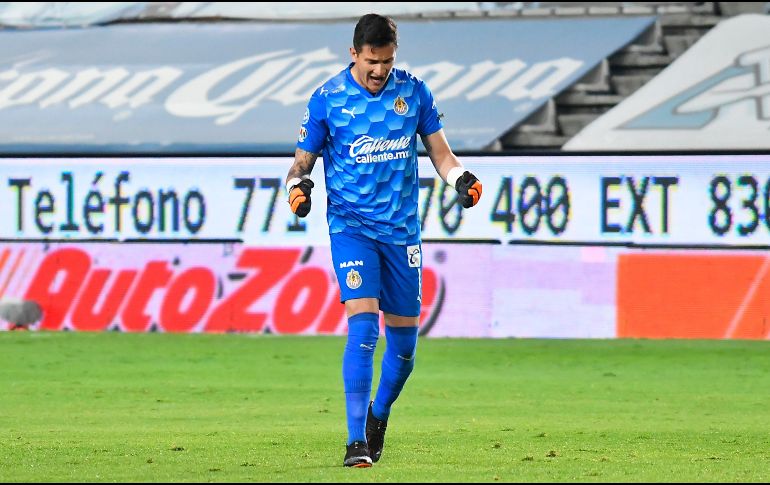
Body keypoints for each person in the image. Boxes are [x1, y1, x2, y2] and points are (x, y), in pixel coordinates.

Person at [284, 13, 482, 468]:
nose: (380, 71)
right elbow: (301, 166)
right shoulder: (327, 99)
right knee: (363, 326)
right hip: (352, 229)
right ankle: (356, 441)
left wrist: (460, 178)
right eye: (372, 61)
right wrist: (298, 190)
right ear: (354, 54)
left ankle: (378, 416)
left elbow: (441, 154)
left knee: (406, 349)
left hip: (401, 234)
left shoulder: (413, 92)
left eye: (387, 62)